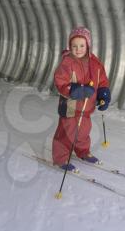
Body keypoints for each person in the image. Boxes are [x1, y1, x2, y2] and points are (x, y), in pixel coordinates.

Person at [52, 26, 111, 171]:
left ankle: (83, 152)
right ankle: (61, 158)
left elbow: (102, 80)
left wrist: (103, 92)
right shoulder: (67, 63)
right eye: (74, 46)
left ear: (88, 45)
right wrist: (75, 90)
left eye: (82, 45)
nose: (78, 49)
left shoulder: (96, 64)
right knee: (67, 132)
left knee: (84, 131)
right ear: (69, 46)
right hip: (70, 104)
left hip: (87, 106)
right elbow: (60, 82)